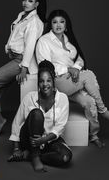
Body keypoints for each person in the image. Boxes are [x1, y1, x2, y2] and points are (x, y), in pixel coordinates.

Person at [36, 9, 109, 147]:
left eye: (62, 22)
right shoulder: (44, 41)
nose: (58, 25)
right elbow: (45, 66)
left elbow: (80, 59)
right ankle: (104, 110)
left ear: (66, 24)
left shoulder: (69, 41)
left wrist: (75, 68)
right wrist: (68, 69)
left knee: (89, 102)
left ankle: (94, 135)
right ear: (50, 24)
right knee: (88, 75)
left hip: (72, 82)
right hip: (57, 82)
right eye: (55, 22)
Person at [0, 0, 46, 135]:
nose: (25, 3)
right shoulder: (22, 16)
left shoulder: (34, 22)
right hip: (16, 58)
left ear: (36, 4)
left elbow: (30, 46)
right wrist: (9, 49)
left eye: (30, 0)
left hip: (22, 61)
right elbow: (15, 37)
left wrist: (23, 68)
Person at [8, 60, 72, 172]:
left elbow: (60, 127)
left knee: (65, 157)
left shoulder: (62, 99)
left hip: (48, 140)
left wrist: (43, 140)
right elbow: (17, 123)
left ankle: (29, 156)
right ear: (38, 82)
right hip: (29, 140)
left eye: (48, 80)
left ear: (53, 81)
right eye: (41, 81)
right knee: (37, 113)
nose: (45, 84)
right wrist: (16, 148)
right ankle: (36, 157)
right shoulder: (29, 97)